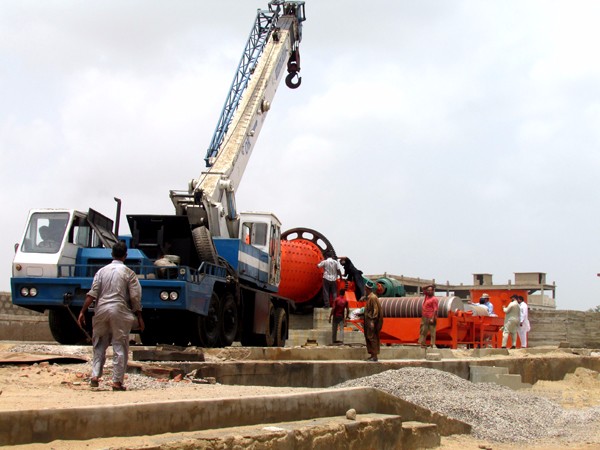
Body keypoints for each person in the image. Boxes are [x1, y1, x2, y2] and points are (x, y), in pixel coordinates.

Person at [77, 241, 144, 391]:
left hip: (101, 310)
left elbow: (92, 293)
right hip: (119, 311)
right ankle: (117, 382)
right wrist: (139, 315)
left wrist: (82, 311)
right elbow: (135, 296)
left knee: (99, 344)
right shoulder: (129, 273)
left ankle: (95, 376)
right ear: (125, 256)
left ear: (111, 254)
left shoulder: (101, 271)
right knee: (119, 345)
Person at [363, 283, 383, 361]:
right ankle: (372, 355)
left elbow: (375, 310)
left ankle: (375, 356)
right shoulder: (370, 297)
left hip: (371, 321)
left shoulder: (373, 298)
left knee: (372, 338)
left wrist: (372, 321)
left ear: (366, 288)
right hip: (369, 320)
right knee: (369, 337)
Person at [418, 284, 439, 349]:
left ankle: (432, 344)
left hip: (431, 317)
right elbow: (422, 287)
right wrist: (430, 285)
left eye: (430, 290)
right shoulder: (427, 296)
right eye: (428, 290)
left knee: (432, 331)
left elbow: (435, 309)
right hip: (424, 316)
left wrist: (433, 318)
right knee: (423, 330)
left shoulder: (434, 299)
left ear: (433, 291)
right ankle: (422, 343)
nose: (429, 291)